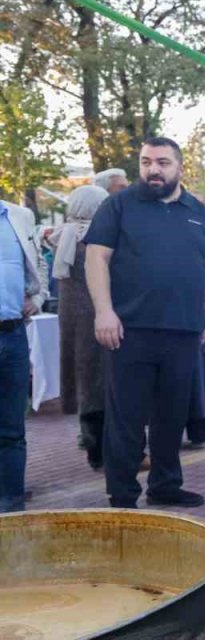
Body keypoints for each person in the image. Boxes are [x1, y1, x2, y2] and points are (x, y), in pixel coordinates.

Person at [85, 136, 205, 510]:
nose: (153, 169)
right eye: (146, 162)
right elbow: (96, 258)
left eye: (162, 162)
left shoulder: (198, 211)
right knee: (126, 418)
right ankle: (122, 494)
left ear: (180, 167)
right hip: (129, 331)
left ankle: (165, 484)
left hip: (183, 332)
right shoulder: (119, 206)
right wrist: (104, 311)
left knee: (172, 415)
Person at [54, 185, 111, 471]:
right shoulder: (92, 238)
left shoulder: (62, 235)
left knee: (85, 387)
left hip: (72, 325)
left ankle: (93, 450)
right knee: (101, 389)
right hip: (97, 322)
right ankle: (102, 453)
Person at [0, 198, 48, 513]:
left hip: (13, 334)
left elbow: (39, 263)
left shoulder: (18, 216)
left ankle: (12, 506)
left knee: (12, 428)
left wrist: (39, 295)